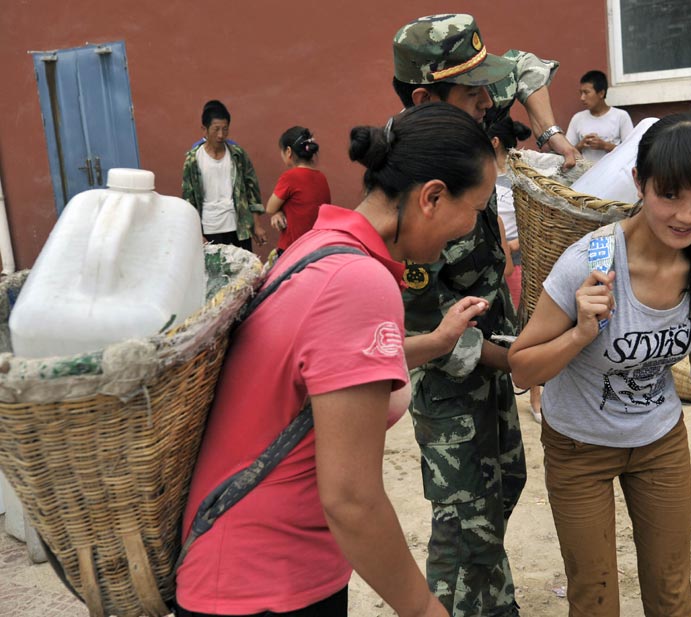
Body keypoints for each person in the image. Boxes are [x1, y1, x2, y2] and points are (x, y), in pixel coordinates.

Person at [175, 103, 498, 617]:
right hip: (265, 583)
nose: (470, 228)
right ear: (433, 197)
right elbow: (351, 499)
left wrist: (436, 342)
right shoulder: (359, 281)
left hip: (250, 568)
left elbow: (329, 368)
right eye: (476, 210)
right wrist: (424, 609)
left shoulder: (321, 247)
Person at [509, 114, 691, 617]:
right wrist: (580, 332)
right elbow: (522, 369)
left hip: (660, 443)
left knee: (672, 593)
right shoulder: (591, 262)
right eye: (670, 195)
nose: (687, 215)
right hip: (579, 448)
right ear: (640, 182)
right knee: (594, 598)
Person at [391, 13, 579, 617]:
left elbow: (524, 68)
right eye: (472, 91)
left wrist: (553, 136)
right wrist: (521, 358)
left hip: (493, 360)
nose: (487, 101)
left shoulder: (461, 135)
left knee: (502, 488)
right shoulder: (412, 186)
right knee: (464, 518)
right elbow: (423, 323)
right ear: (426, 100)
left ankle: (490, 604)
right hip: (451, 379)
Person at [486, 115, 543, 423]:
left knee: (527, 327)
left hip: (517, 261)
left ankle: (536, 395)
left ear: (494, 141)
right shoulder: (482, 177)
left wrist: (511, 246)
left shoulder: (521, 175)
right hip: (490, 261)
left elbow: (534, 221)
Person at [182, 100, 267, 251]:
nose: (221, 135)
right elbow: (189, 200)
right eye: (216, 129)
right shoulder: (193, 160)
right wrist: (196, 232)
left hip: (239, 227)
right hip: (209, 228)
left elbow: (252, 190)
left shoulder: (237, 155)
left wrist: (257, 225)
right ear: (204, 130)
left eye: (225, 129)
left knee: (242, 264)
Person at [265, 126, 331, 253]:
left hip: (293, 248)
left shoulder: (290, 177)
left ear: (288, 151)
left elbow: (270, 208)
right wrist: (278, 212)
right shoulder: (321, 177)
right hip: (316, 247)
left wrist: (277, 212)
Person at [565, 69, 634, 164]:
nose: (582, 98)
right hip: (586, 172)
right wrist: (581, 145)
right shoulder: (577, 118)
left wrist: (605, 146)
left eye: (586, 92)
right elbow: (567, 151)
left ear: (601, 93)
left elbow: (631, 150)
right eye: (581, 93)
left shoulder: (621, 116)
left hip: (613, 170)